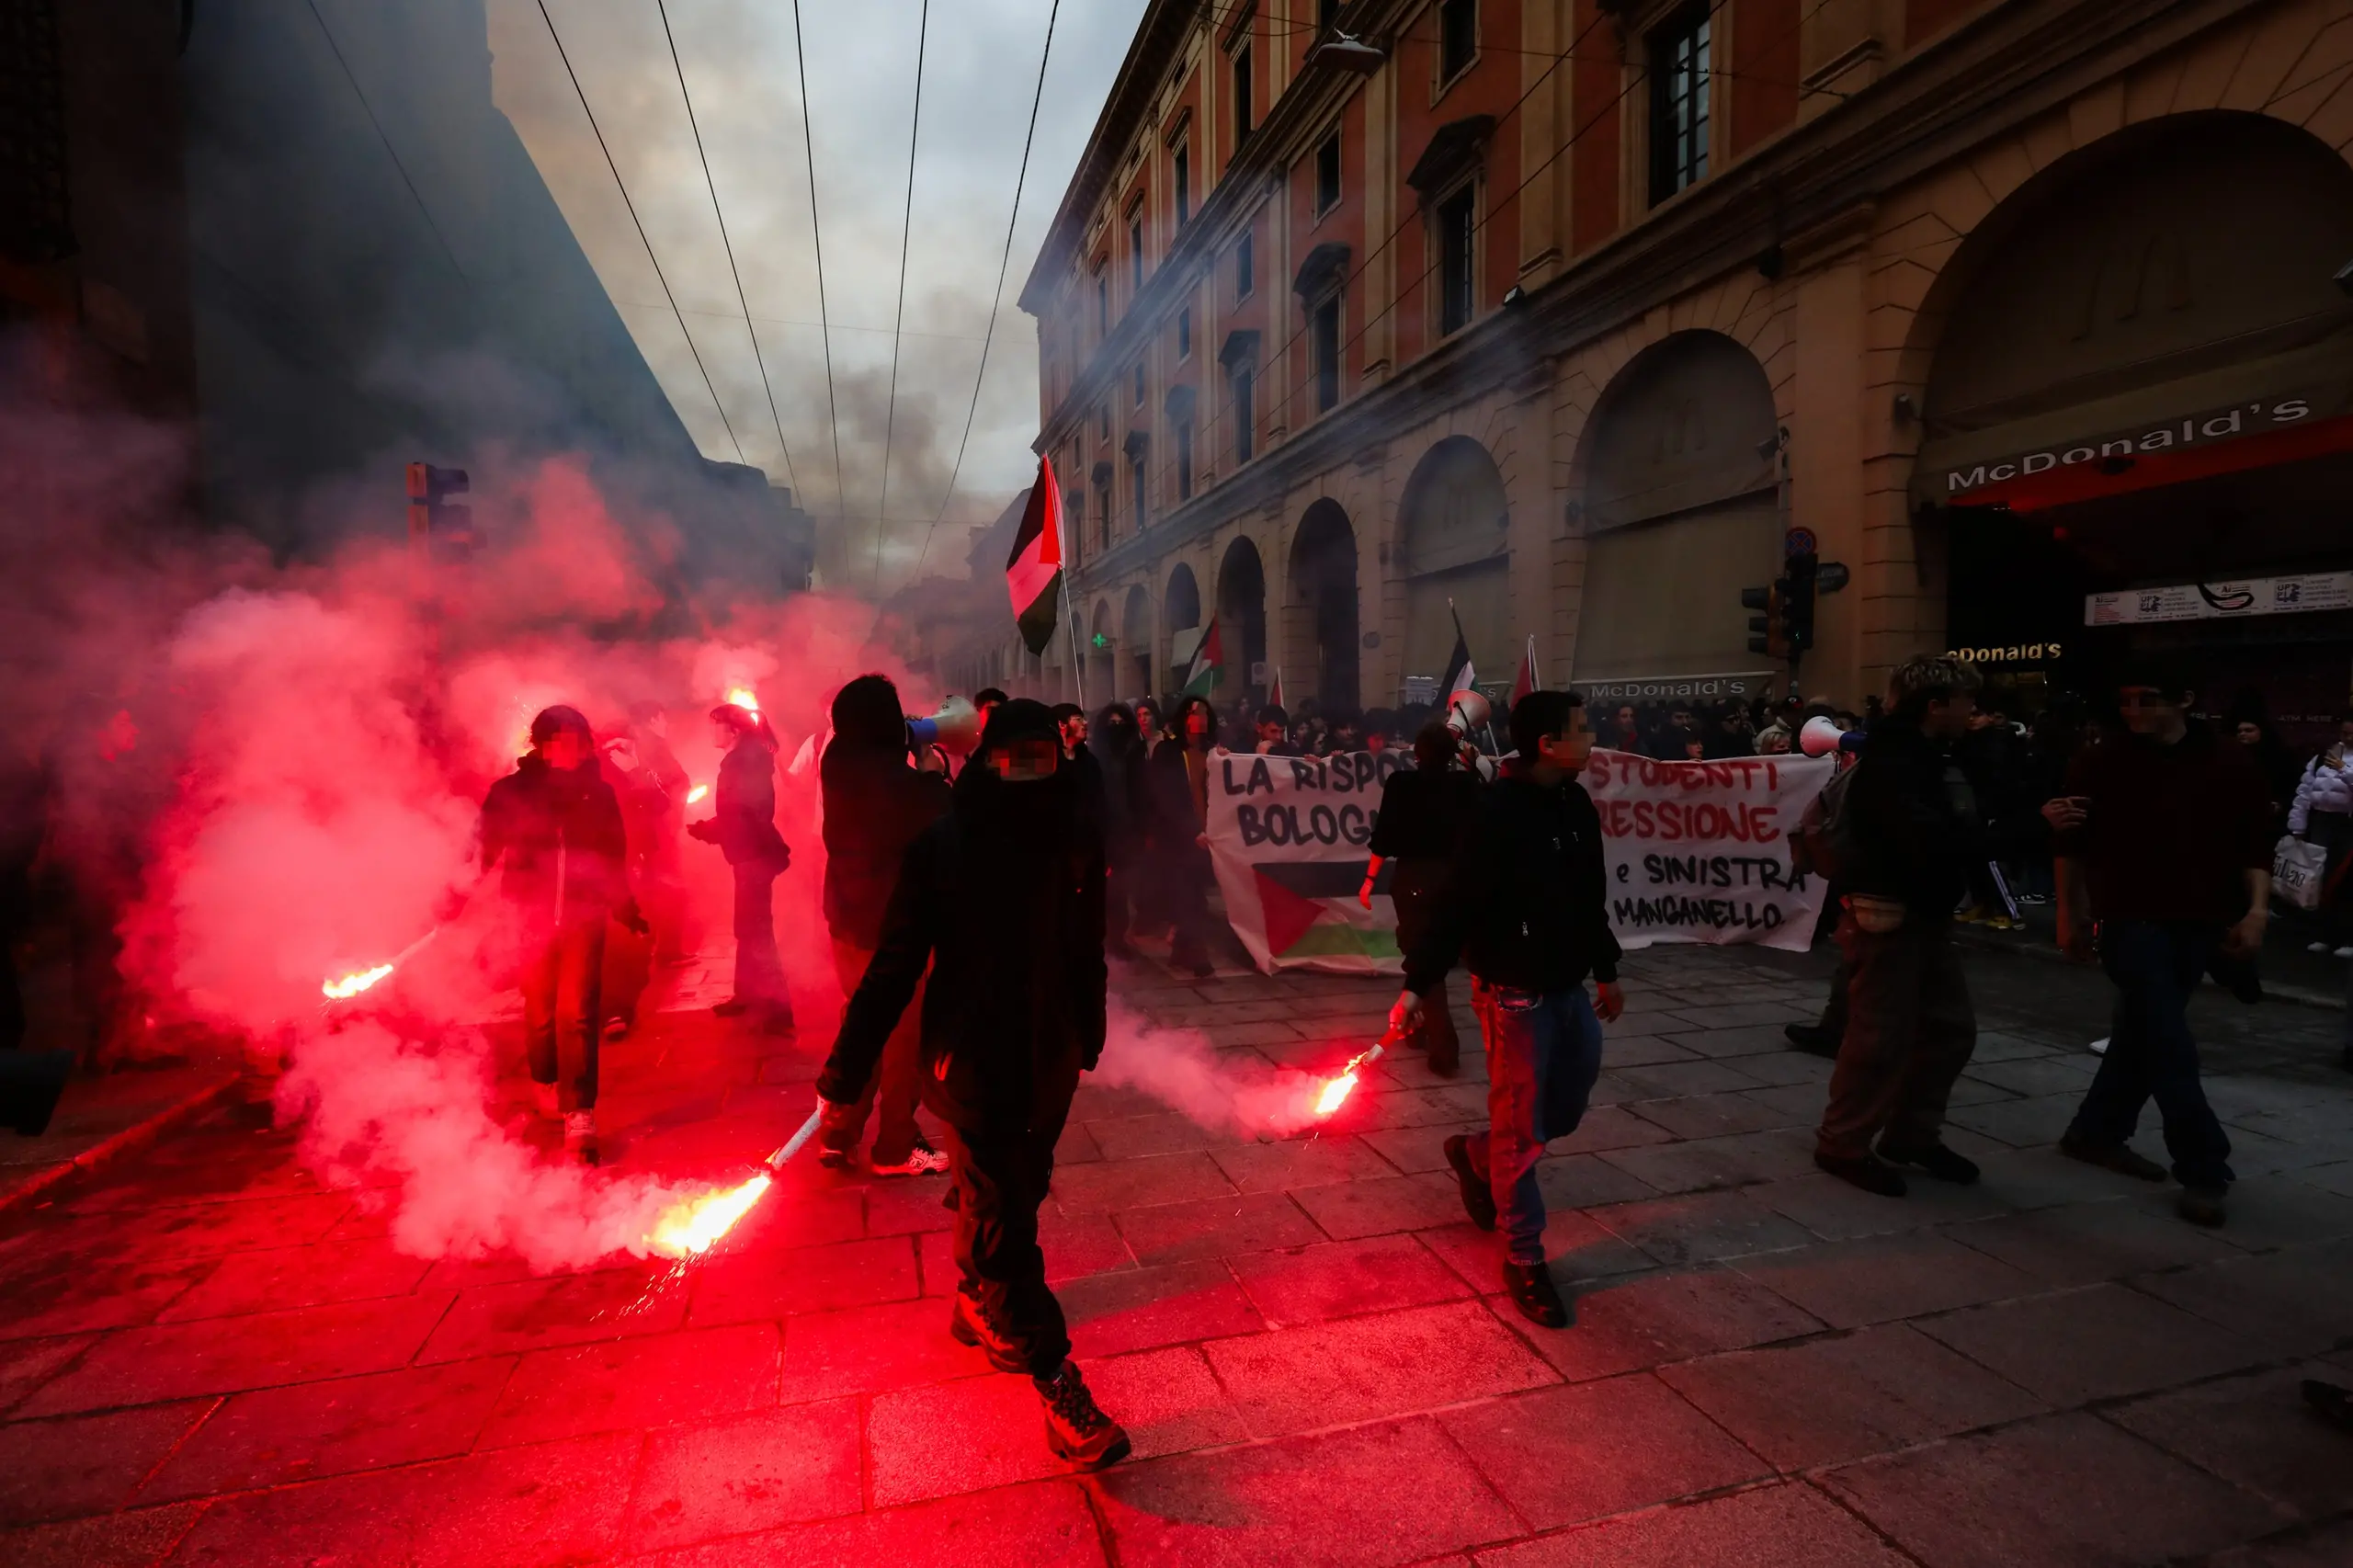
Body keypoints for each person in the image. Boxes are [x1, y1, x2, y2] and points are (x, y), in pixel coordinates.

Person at [815, 699, 1128, 1471]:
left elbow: (1087, 950)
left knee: (1020, 1190)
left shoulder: (1072, 844)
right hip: (971, 1061)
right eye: (1014, 758)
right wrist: (845, 1072)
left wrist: (1088, 1034)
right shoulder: (942, 848)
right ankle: (1057, 1383)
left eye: (1043, 759)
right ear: (988, 760)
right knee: (1005, 1224)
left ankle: (971, 1296)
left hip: (1049, 1057)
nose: (1029, 774)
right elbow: (893, 970)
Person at [1391, 689, 1623, 1329]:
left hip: (1568, 987)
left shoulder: (1575, 804)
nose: (1592, 736)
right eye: (1583, 728)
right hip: (1513, 994)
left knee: (1564, 1109)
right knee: (1524, 1133)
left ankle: (1473, 1152)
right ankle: (1524, 1257)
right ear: (1548, 743)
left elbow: (1588, 895)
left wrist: (1605, 968)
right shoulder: (1495, 812)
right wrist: (1417, 985)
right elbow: (1456, 904)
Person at [2045, 659, 2272, 1227]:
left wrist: (2257, 911)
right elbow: (2070, 844)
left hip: (2201, 920)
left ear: (2185, 699)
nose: (2135, 711)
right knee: (2168, 1042)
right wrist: (2070, 915)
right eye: (2127, 700)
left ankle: (2095, 1132)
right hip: (2130, 919)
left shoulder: (2228, 759)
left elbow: (2255, 843)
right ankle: (2204, 1167)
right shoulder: (2102, 760)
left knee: (2142, 1036)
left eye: (2148, 699)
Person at [1812, 655, 1986, 1199]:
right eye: (1965, 701)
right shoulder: (1894, 763)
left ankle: (1911, 1134)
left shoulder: (1923, 757)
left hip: (1923, 914)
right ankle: (1842, 1143)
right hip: (1888, 914)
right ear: (1935, 705)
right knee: (1878, 1036)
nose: (1972, 712)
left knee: (1949, 1030)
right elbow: (1918, 840)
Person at [480, 706, 645, 1164]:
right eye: (566, 740)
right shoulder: (511, 793)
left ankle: (580, 1110)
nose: (577, 749)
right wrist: (452, 897)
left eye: (581, 740)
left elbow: (613, 854)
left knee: (577, 1012)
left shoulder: (598, 794)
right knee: (540, 1011)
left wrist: (624, 903)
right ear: (544, 744)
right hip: (528, 916)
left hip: (583, 917)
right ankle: (546, 1079)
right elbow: (481, 848)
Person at [817, 676, 952, 1176]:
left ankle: (838, 1134)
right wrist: (935, 773)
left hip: (846, 922)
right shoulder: (900, 784)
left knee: (861, 1023)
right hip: (894, 929)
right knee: (904, 1040)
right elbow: (941, 815)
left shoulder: (837, 762)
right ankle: (896, 1145)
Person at [1363, 722, 1483, 1074]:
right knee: (1429, 953)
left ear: (1416, 754)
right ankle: (1416, 1025)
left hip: (1415, 879)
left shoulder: (1402, 784)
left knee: (1421, 954)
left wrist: (1369, 880)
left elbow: (1383, 837)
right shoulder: (1466, 784)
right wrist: (1470, 765)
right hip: (1458, 877)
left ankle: (1445, 1050)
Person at [689, 702, 794, 1035]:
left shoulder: (743, 761)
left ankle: (777, 1008)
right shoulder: (743, 758)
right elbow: (739, 813)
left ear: (732, 730)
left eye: (714, 724)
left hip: (753, 855)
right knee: (747, 928)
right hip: (747, 853)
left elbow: (746, 814)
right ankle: (747, 993)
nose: (710, 731)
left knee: (757, 931)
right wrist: (711, 828)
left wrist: (711, 830)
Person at [1149, 695, 1221, 977]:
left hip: (1209, 836)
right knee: (1187, 896)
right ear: (1183, 717)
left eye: (1204, 712)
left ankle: (1180, 952)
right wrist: (1190, 830)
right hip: (1178, 838)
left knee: (1196, 895)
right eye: (1193, 712)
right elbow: (1164, 797)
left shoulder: (1214, 753)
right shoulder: (1167, 752)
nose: (1199, 717)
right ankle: (1197, 955)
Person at [2289, 713, 2353, 958]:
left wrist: (2343, 769)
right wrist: (2298, 826)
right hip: (2322, 821)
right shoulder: (2320, 759)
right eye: (2344, 733)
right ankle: (2324, 934)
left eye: (2351, 734)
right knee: (2319, 878)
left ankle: (2348, 936)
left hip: (2348, 823)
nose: (2347, 738)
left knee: (2345, 880)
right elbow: (2304, 793)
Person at [1089, 702, 1152, 957]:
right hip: (1104, 830)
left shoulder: (1135, 752)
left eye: (1121, 723)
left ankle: (1117, 936)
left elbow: (1144, 791)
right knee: (1104, 888)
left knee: (1121, 887)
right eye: (1111, 724)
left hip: (1129, 830)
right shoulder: (1095, 756)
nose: (1117, 728)